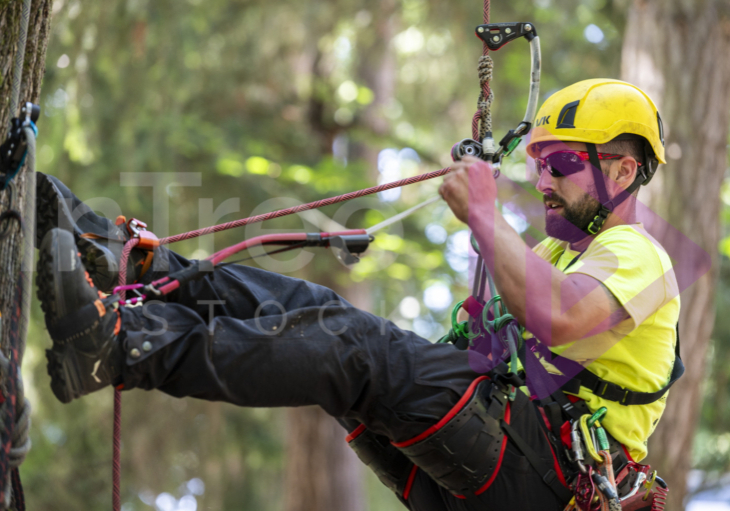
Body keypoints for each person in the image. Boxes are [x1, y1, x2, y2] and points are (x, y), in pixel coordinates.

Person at [35, 79, 680, 511]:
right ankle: (132, 264)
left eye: (562, 163)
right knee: (321, 317)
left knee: (351, 347)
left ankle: (118, 349)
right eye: (539, 162)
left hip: (549, 480)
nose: (543, 178)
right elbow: (494, 328)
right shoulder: (558, 255)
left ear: (624, 171)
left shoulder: (641, 257)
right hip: (501, 456)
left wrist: (485, 219)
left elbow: (564, 316)